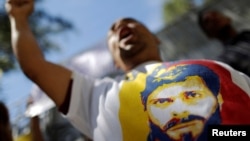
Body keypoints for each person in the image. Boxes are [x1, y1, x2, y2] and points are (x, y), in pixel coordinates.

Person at [5, 0, 250, 140]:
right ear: (114, 60)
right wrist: (18, 18)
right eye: (113, 30)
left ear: (157, 38)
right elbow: (34, 66)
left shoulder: (216, 66)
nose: (121, 24)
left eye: (132, 21)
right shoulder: (93, 97)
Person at [197, 9, 250, 76]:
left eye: (215, 14)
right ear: (208, 35)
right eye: (207, 21)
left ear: (228, 19)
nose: (213, 18)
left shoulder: (247, 35)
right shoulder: (225, 62)